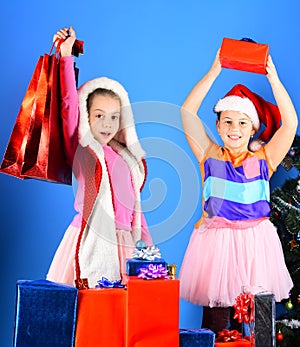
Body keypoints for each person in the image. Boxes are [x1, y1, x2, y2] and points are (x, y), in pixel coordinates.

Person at [179, 48, 297, 333]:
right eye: (228, 121)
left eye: (242, 122)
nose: (235, 128)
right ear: (218, 126)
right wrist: (215, 70)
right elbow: (186, 111)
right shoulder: (209, 155)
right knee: (218, 322)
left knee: (257, 320)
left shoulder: (263, 160)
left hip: (255, 244)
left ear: (252, 129)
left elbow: (290, 123)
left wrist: (274, 80)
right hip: (217, 243)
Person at [46, 26, 152, 289]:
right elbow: (68, 107)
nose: (107, 124)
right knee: (89, 312)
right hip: (91, 240)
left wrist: (147, 250)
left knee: (123, 318)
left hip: (125, 244)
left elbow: (136, 211)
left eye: (114, 117)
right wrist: (67, 56)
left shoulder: (127, 159)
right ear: (87, 117)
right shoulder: (84, 152)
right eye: (99, 116)